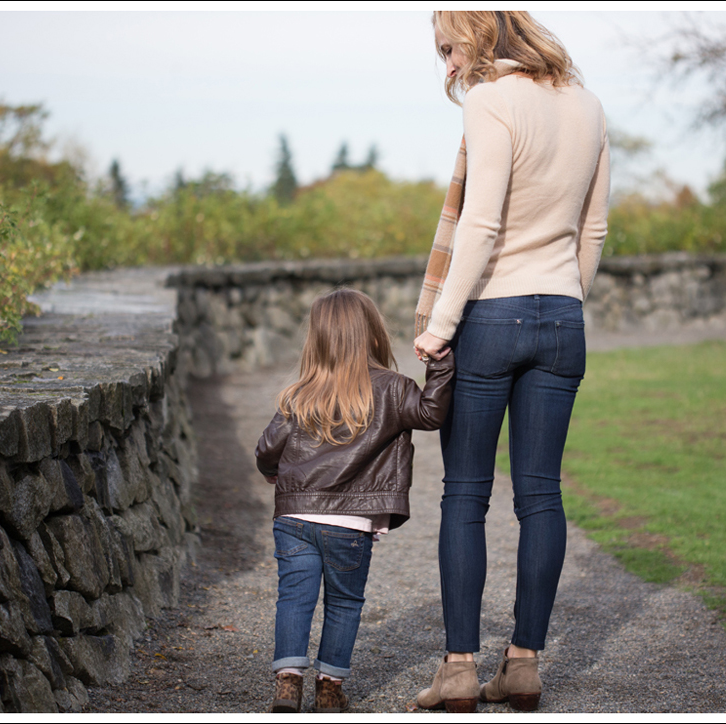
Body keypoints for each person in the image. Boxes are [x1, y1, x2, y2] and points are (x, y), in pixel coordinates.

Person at [412, 11, 610, 713]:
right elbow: (593, 228)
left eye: (449, 48)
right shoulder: (588, 105)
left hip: (491, 316)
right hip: (563, 317)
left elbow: (484, 223)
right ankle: (523, 664)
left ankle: (460, 669)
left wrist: (440, 326)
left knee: (465, 493)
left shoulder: (492, 101)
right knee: (541, 496)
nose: (447, 68)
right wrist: (562, 301)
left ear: (481, 34)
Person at [256, 288, 454, 713]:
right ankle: (330, 688)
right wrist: (440, 363)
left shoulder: (299, 393)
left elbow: (267, 449)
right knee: (344, 603)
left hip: (294, 518)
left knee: (294, 598)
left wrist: (275, 473)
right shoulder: (394, 389)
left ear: (318, 338)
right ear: (372, 333)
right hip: (350, 524)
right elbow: (431, 414)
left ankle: (287, 683)